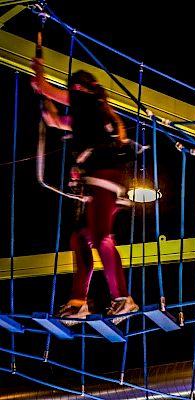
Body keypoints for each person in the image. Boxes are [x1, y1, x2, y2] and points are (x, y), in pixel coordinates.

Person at [31, 57, 140, 325]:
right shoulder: (92, 114)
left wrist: (39, 75)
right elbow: (57, 120)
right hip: (102, 181)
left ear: (82, 89)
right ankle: (78, 302)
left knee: (102, 236)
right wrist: (45, 104)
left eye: (75, 90)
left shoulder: (88, 103)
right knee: (80, 238)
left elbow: (49, 91)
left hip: (103, 178)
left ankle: (123, 298)